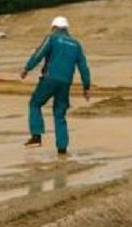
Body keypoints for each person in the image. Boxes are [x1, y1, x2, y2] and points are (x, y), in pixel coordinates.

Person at [20, 16, 90, 155]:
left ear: (55, 27)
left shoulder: (52, 38)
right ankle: (62, 148)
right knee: (60, 114)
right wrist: (86, 87)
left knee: (34, 104)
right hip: (66, 83)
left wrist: (27, 68)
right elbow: (83, 67)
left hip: (50, 79)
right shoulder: (76, 44)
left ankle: (36, 135)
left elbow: (39, 54)